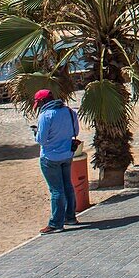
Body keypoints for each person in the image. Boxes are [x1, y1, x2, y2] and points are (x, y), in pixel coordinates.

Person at [32, 89, 81, 234]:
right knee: (68, 186)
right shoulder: (70, 112)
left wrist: (35, 132)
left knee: (56, 190)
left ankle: (56, 223)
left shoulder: (45, 115)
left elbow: (41, 140)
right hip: (68, 154)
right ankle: (70, 217)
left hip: (50, 157)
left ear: (42, 101)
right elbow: (75, 132)